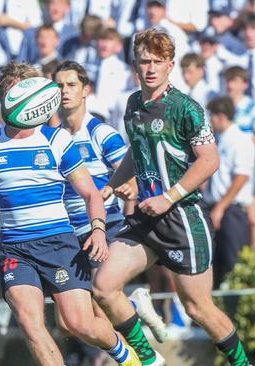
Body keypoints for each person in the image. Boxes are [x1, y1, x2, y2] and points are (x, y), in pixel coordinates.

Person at [94, 28, 252, 366]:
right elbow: (137, 153)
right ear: (134, 65)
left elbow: (210, 160)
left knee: (198, 308)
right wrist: (111, 184)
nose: (150, 68)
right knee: (104, 286)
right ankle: (150, 361)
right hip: (147, 219)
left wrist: (169, 196)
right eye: (144, 61)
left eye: (158, 62)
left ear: (171, 65)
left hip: (183, 219)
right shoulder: (133, 103)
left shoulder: (186, 108)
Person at [0, 61, 139, 366]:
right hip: (14, 249)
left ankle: (126, 355)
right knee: (31, 323)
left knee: (77, 324)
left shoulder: (56, 140)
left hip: (58, 244)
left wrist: (98, 229)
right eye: (8, 92)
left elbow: (90, 193)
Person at [53, 60, 166, 365]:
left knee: (98, 306)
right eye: (59, 85)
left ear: (85, 90)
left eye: (71, 85)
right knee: (67, 322)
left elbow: (131, 173)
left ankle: (134, 358)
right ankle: (133, 306)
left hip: (102, 226)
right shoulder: (52, 138)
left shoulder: (101, 133)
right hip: (68, 234)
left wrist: (127, 188)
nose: (65, 91)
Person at [204, 96, 254, 287]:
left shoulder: (239, 140)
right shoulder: (222, 140)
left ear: (221, 116)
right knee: (216, 265)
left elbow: (241, 177)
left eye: (212, 116)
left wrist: (221, 208)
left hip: (232, 211)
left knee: (233, 263)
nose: (211, 121)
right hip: (218, 208)